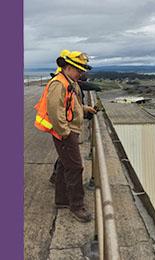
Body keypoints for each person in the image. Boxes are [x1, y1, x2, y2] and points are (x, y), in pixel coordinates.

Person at [34, 50, 96, 223]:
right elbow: (55, 112)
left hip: (69, 131)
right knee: (75, 167)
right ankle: (77, 206)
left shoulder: (70, 82)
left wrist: (85, 109)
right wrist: (65, 133)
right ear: (68, 68)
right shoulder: (58, 84)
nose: (82, 73)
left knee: (64, 164)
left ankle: (61, 200)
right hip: (65, 133)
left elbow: (72, 105)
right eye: (79, 70)